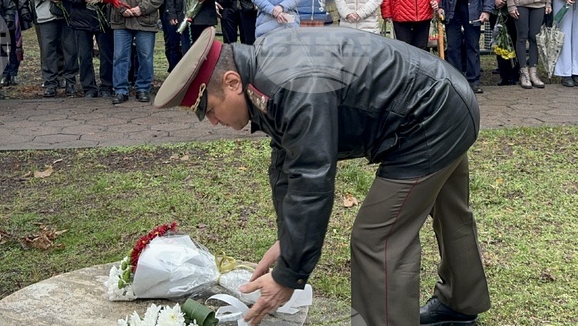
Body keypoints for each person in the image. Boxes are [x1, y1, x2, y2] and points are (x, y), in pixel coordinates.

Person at [154, 27, 491, 326]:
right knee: (451, 214)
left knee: (377, 239)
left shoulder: (291, 84)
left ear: (232, 82)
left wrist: (289, 275)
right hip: (443, 97)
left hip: (431, 117)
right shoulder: (264, 67)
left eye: (210, 109)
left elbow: (312, 178)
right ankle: (459, 305)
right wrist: (289, 239)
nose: (213, 122)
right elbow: (287, 161)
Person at [108, 0, 167, 104]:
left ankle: (143, 88)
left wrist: (140, 9)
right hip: (121, 19)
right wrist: (123, 8)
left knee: (145, 56)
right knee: (120, 56)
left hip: (145, 20)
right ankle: (120, 90)